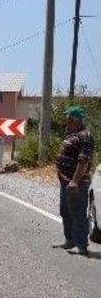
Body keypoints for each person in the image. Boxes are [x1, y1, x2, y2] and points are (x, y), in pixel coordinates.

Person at [53, 105, 95, 255]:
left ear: (74, 119)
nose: (66, 120)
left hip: (76, 183)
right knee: (65, 211)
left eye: (68, 118)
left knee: (77, 212)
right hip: (66, 181)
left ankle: (81, 244)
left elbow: (83, 161)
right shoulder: (72, 134)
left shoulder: (85, 136)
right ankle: (69, 240)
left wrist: (75, 181)